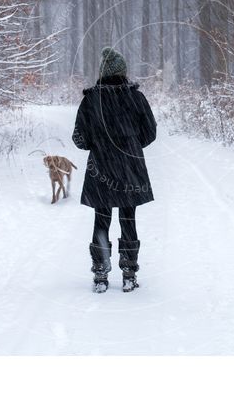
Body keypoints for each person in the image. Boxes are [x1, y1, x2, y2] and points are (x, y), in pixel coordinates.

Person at [72, 47, 157, 293]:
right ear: (123, 73)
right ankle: (129, 273)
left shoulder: (91, 100)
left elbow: (79, 138)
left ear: (102, 73)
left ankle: (100, 274)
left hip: (101, 167)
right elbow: (150, 132)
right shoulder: (136, 98)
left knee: (102, 219)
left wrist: (98, 145)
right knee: (128, 218)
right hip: (130, 167)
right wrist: (130, 144)